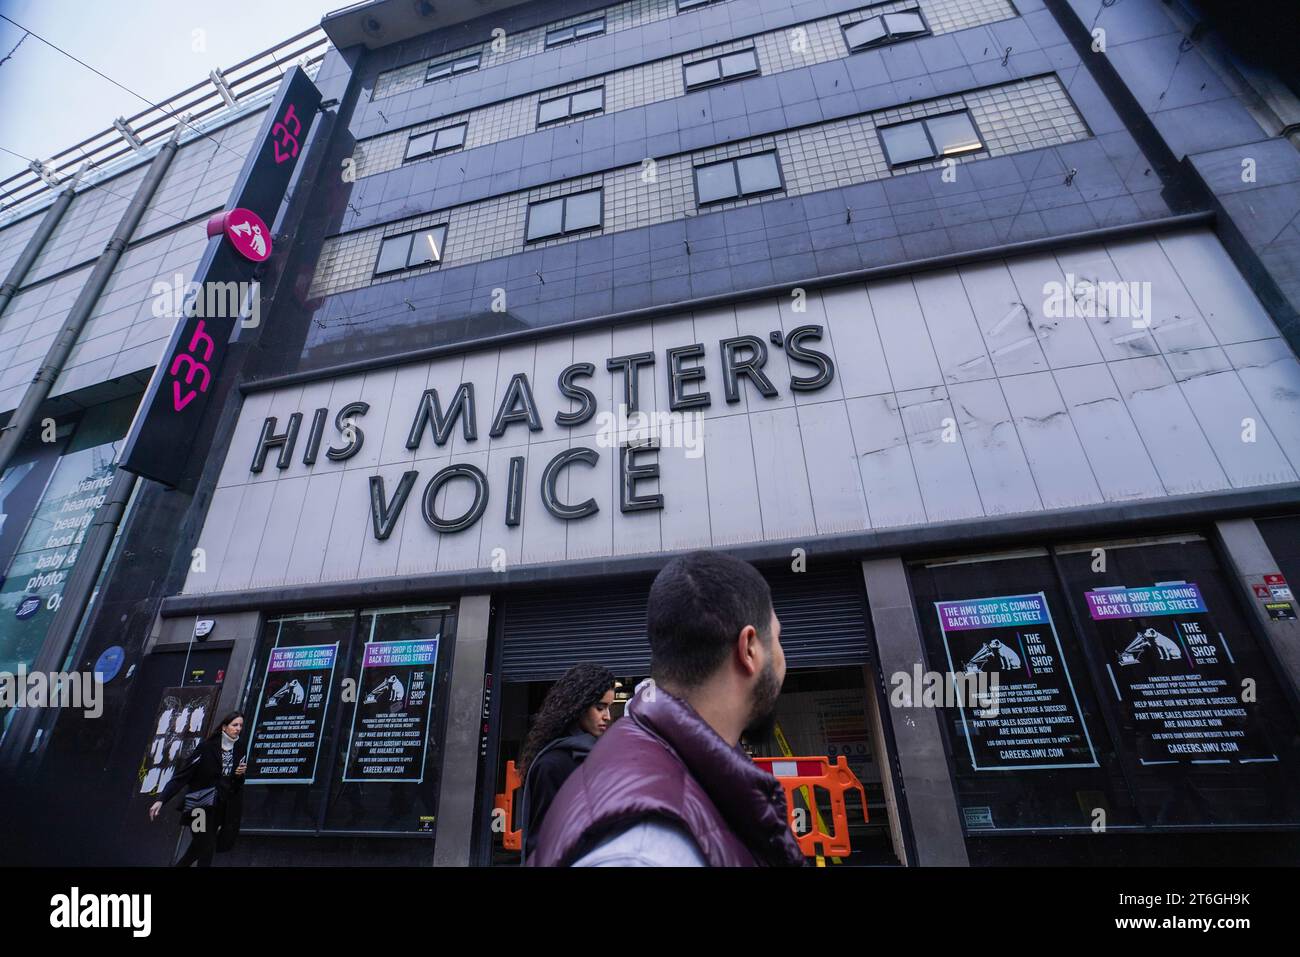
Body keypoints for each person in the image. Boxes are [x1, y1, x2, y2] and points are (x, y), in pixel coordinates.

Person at [529, 551, 805, 867]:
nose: (784, 657)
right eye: (779, 638)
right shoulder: (645, 853)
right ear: (750, 648)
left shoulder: (636, 749)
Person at [519, 664, 615, 860]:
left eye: (608, 707)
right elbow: (541, 841)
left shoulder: (599, 755)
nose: (607, 716)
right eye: (600, 708)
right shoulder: (552, 765)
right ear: (579, 707)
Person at [149, 710, 247, 867]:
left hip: (220, 809)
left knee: (196, 849)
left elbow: (236, 784)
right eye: (234, 725)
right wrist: (161, 800)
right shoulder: (206, 748)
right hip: (199, 808)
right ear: (224, 727)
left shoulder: (240, 748)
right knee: (206, 847)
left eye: (241, 725)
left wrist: (239, 775)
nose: (238, 728)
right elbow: (183, 775)